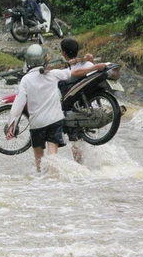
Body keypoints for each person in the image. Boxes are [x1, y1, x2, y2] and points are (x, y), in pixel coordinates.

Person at [6, 44, 106, 172]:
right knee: (52, 156)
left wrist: (11, 124)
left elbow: (18, 104)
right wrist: (96, 67)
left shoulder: (26, 80)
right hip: (54, 121)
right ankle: (53, 179)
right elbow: (75, 72)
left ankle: (41, 180)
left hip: (37, 124)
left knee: (39, 160)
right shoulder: (53, 74)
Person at [58, 38, 109, 163]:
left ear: (64, 53)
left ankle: (80, 166)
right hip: (86, 104)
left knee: (74, 140)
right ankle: (86, 164)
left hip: (72, 108)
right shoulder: (88, 64)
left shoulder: (67, 72)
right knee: (78, 141)